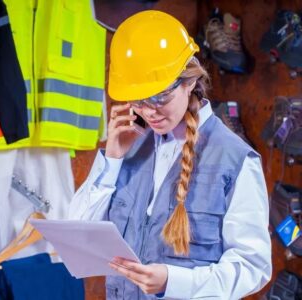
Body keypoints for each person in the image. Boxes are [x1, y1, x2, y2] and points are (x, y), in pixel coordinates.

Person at [68, 10, 272, 299]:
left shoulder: (235, 160)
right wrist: (112, 158)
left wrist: (172, 282)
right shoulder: (129, 147)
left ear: (189, 81)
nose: (149, 111)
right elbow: (77, 237)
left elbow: (252, 268)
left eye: (159, 96)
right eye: (138, 100)